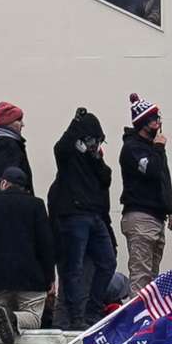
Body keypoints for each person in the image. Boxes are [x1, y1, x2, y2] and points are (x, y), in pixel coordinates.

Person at [47, 107, 117, 328]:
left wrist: (95, 157)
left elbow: (106, 179)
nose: (95, 144)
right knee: (73, 269)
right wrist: (75, 124)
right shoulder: (69, 158)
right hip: (75, 216)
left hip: (93, 216)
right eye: (92, 140)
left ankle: (91, 311)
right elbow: (60, 148)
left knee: (108, 262)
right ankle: (78, 317)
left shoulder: (93, 162)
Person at [0, 164, 54, 333]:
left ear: (3, 183)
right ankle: (14, 318)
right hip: (30, 277)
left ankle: (0, 319)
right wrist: (50, 277)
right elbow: (45, 244)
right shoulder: (36, 205)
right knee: (32, 317)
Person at [119, 94, 172, 289]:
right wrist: (158, 148)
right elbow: (151, 170)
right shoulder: (132, 148)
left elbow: (163, 178)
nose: (158, 123)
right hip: (140, 215)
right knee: (141, 276)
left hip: (157, 217)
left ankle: (148, 317)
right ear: (143, 123)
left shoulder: (155, 149)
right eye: (154, 119)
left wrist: (170, 208)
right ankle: (137, 317)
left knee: (152, 278)